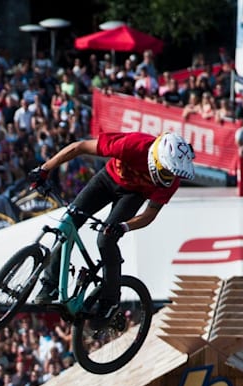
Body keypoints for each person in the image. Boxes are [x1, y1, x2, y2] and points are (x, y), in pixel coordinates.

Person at [28, 131, 195, 312]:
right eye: (166, 171)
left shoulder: (172, 182)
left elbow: (150, 214)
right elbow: (80, 147)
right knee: (68, 222)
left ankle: (110, 300)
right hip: (107, 180)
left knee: (106, 239)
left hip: (134, 195)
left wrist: (123, 227)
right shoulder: (133, 145)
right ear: (156, 158)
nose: (169, 176)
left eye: (172, 173)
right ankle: (50, 284)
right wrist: (45, 169)